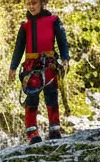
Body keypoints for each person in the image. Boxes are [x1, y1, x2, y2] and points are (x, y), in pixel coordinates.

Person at [7, 0, 70, 144]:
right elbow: (19, 48)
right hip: (31, 68)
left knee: (51, 95)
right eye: (28, 3)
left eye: (34, 3)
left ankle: (54, 129)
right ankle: (32, 133)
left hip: (49, 65)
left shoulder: (54, 20)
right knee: (31, 97)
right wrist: (13, 67)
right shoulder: (25, 26)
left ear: (42, 3)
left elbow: (62, 42)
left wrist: (65, 58)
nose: (31, 6)